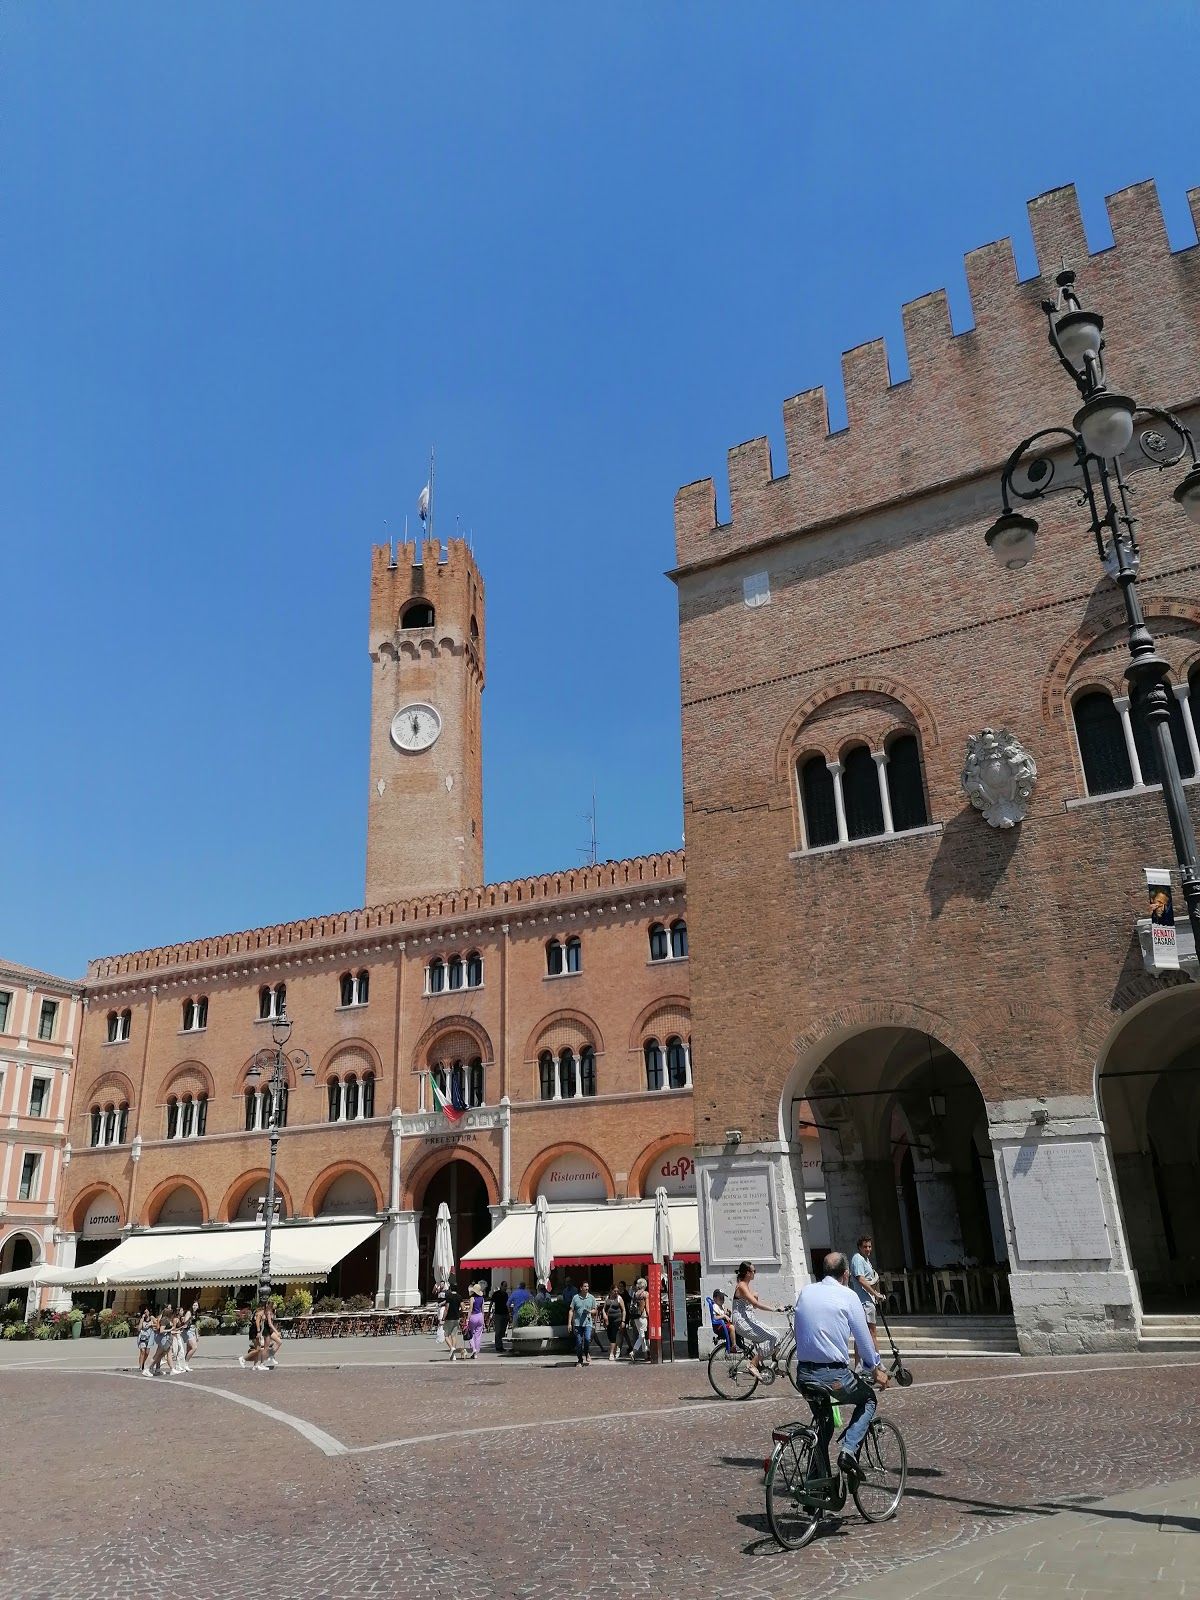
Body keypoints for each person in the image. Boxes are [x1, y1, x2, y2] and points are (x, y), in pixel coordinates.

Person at [793, 1251, 890, 1481]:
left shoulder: (805, 1292)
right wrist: (876, 1368)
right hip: (833, 1375)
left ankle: (817, 1489)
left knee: (824, 1428)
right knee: (868, 1399)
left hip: (804, 1374)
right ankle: (848, 1452)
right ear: (846, 1275)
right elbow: (864, 1340)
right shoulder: (848, 1296)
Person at [731, 1262, 787, 1374]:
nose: (755, 1273)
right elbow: (756, 1304)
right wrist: (775, 1309)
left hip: (749, 1320)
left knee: (776, 1337)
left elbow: (753, 1304)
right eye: (754, 1271)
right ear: (748, 1273)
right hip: (743, 1322)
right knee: (774, 1337)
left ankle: (774, 1367)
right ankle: (753, 1364)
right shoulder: (742, 1286)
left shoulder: (746, 1286)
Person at [849, 1235, 884, 1357]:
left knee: (863, 1334)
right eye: (865, 1247)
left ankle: (860, 1365)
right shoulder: (858, 1259)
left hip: (869, 1300)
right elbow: (861, 1280)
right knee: (871, 1332)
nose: (868, 1249)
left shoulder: (866, 1260)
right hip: (864, 1301)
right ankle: (877, 1364)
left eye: (869, 1246)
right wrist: (876, 1294)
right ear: (859, 1247)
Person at [568, 1279, 597, 1367]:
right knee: (579, 1342)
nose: (586, 1288)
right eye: (585, 1286)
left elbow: (595, 1310)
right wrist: (569, 1323)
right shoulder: (575, 1297)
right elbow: (571, 1310)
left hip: (588, 1323)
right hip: (577, 1324)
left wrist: (590, 1311)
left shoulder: (591, 1297)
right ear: (581, 1288)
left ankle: (587, 1351)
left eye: (587, 1286)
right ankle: (580, 1360)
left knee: (587, 1339)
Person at [239, 1304, 268, 1371]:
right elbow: (257, 1322)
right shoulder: (260, 1313)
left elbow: (261, 1324)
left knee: (258, 1348)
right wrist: (258, 1332)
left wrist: (260, 1332)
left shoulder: (262, 1312)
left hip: (256, 1331)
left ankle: (255, 1365)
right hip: (254, 1331)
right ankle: (243, 1358)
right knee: (258, 1349)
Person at [443, 1278, 465, 1361]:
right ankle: (453, 1355)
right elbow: (463, 1307)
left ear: (450, 1288)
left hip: (449, 1318)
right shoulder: (459, 1296)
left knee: (445, 1335)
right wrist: (459, 1310)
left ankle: (451, 1348)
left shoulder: (449, 1296)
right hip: (456, 1317)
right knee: (454, 1335)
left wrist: (443, 1317)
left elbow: (446, 1308)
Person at [628, 1278, 650, 1360]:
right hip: (642, 1315)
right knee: (642, 1335)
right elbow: (647, 1307)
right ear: (645, 1285)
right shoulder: (645, 1294)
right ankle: (633, 1351)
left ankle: (645, 1355)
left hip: (635, 1316)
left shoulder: (635, 1293)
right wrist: (649, 1315)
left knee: (641, 1335)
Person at [603, 1284, 625, 1361]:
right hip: (609, 1321)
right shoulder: (607, 1298)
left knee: (613, 1336)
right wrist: (605, 1316)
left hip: (617, 1320)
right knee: (609, 1335)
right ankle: (616, 1349)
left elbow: (623, 1310)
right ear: (611, 1291)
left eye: (617, 1291)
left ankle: (611, 1353)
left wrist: (623, 1321)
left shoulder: (619, 1298)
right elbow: (604, 1308)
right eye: (614, 1291)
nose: (616, 1292)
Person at [465, 1281, 486, 1359]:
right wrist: (483, 1319)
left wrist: (467, 1319)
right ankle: (476, 1351)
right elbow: (483, 1309)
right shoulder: (482, 1298)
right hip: (480, 1316)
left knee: (471, 1334)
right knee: (478, 1335)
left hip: (473, 1316)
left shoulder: (472, 1298)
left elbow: (470, 1309)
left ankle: (473, 1349)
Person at [710, 1289, 734, 1353]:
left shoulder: (721, 1306)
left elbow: (725, 1316)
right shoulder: (715, 1306)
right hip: (719, 1327)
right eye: (720, 1298)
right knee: (732, 1327)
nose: (722, 1299)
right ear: (714, 1298)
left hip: (723, 1325)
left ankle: (735, 1343)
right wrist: (724, 1316)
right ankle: (734, 1346)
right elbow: (715, 1317)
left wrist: (728, 1314)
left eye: (723, 1298)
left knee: (736, 1326)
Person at [490, 1281, 510, 1353]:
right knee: (498, 1331)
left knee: (503, 1331)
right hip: (498, 1314)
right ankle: (498, 1346)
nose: (506, 1287)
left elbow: (507, 1304)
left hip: (505, 1314)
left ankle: (500, 1345)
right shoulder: (496, 1294)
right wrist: (489, 1312)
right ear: (501, 1286)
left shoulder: (506, 1294)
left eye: (506, 1286)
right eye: (505, 1286)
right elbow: (491, 1302)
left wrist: (509, 1314)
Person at [263, 1300, 283, 1369]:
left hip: (270, 1331)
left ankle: (271, 1356)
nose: (275, 1305)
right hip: (267, 1331)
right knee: (266, 1347)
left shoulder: (272, 1312)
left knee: (279, 1342)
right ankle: (261, 1363)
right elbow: (269, 1323)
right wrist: (276, 1332)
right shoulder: (268, 1312)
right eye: (274, 1304)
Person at [181, 1300, 200, 1372]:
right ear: (191, 1306)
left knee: (189, 1349)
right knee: (194, 1347)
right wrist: (189, 1319)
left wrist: (197, 1335)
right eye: (194, 1305)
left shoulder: (196, 1313)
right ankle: (185, 1364)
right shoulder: (189, 1313)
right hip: (187, 1331)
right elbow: (184, 1323)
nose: (195, 1307)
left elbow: (196, 1325)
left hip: (192, 1331)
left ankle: (185, 1365)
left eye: (196, 1305)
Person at [136, 1308, 155, 1374]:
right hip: (142, 1337)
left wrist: (151, 1325)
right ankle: (140, 1367)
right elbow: (139, 1329)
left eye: (147, 1312)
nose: (146, 1313)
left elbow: (157, 1325)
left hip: (150, 1337)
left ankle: (143, 1362)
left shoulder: (152, 1318)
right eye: (144, 1312)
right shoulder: (142, 1319)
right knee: (142, 1351)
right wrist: (141, 1320)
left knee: (147, 1352)